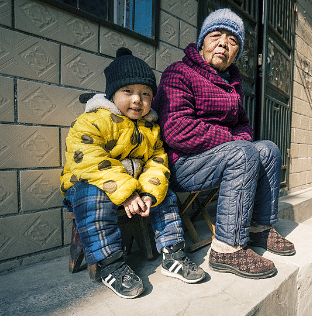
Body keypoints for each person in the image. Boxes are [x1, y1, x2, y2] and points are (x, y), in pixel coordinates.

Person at [152, 8, 295, 280]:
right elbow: (177, 130)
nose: (223, 43)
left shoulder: (232, 83)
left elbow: (243, 125)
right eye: (215, 35)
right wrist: (233, 141)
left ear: (237, 52)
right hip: (181, 164)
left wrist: (238, 140)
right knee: (242, 152)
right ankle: (226, 248)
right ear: (202, 42)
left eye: (232, 41)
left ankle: (258, 228)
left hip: (218, 158)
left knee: (268, 150)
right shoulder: (178, 73)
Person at [60, 47, 205, 299]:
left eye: (146, 94)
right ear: (112, 93)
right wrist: (125, 192)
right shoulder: (93, 120)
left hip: (134, 187)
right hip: (89, 185)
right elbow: (89, 160)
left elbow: (158, 160)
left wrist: (149, 192)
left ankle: (173, 253)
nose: (137, 100)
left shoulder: (151, 127)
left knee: (165, 193)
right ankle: (111, 265)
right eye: (128, 91)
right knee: (92, 196)